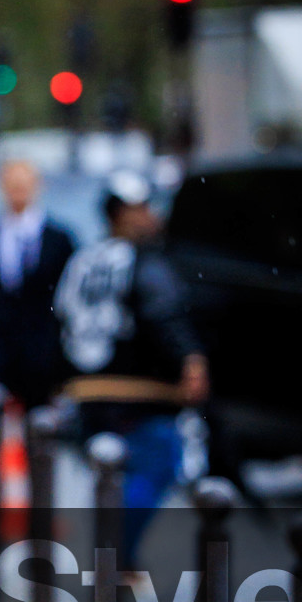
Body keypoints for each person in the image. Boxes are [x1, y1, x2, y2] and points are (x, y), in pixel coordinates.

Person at [56, 172, 208, 544]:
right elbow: (163, 313)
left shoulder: (84, 260)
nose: (150, 217)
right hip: (140, 391)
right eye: (140, 209)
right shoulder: (142, 261)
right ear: (119, 214)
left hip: (90, 388)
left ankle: (115, 555)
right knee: (158, 463)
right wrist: (190, 360)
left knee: (115, 473)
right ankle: (116, 552)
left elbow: (59, 317)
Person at [0, 157, 77, 409]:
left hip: (43, 353)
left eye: (24, 185)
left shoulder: (59, 239)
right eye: (12, 185)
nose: (18, 192)